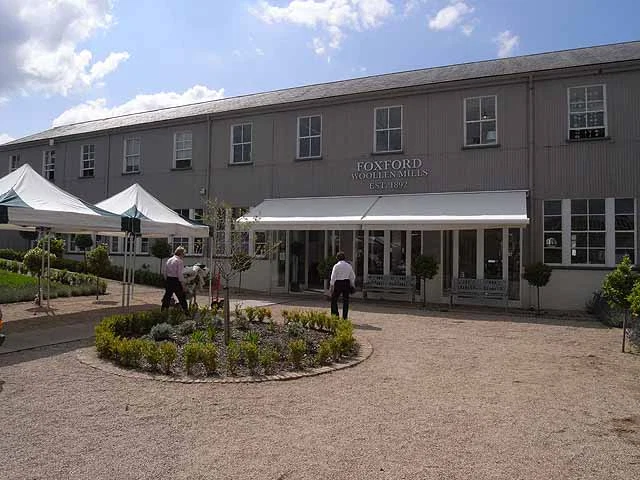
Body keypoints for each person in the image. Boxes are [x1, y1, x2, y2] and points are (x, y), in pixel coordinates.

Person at [161, 246, 189, 315]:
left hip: (169, 279)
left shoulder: (169, 260)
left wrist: (166, 280)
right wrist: (183, 285)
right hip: (176, 280)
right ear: (181, 253)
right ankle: (186, 312)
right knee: (181, 297)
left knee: (167, 297)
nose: (184, 255)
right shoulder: (179, 261)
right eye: (184, 254)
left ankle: (163, 311)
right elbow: (180, 274)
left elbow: (165, 271)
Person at [329, 251, 356, 320]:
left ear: (337, 258)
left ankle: (335, 315)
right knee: (346, 301)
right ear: (344, 258)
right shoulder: (348, 266)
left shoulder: (336, 266)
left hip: (338, 283)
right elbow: (353, 276)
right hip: (346, 282)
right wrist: (352, 284)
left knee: (334, 300)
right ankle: (344, 317)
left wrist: (331, 286)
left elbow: (333, 276)